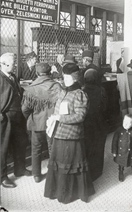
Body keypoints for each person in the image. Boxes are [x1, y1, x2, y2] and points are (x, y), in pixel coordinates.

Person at [44, 63, 95, 204]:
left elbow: (80, 117)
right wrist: (53, 118)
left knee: (68, 164)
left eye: (68, 78)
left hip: (72, 136)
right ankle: (57, 191)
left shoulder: (80, 94)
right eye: (64, 78)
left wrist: (60, 118)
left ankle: (69, 194)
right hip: (59, 134)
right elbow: (57, 109)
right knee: (59, 163)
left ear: (75, 78)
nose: (65, 80)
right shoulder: (63, 91)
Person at [21, 63, 62, 183]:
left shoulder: (30, 88)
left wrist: (30, 118)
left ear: (37, 73)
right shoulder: (57, 86)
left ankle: (37, 175)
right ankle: (53, 173)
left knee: (36, 149)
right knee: (52, 148)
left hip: (36, 124)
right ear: (49, 73)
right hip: (53, 123)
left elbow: (24, 109)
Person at [0, 53, 31, 188]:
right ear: (4, 64)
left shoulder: (12, 76)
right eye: (13, 64)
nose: (15, 66)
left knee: (20, 142)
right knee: (3, 147)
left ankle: (20, 169)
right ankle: (2, 176)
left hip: (17, 116)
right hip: (5, 117)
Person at [83, 68, 108, 181]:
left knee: (87, 145)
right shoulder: (101, 90)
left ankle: (87, 170)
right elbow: (105, 107)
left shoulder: (82, 90)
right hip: (99, 121)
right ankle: (97, 170)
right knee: (98, 144)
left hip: (85, 122)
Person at [111, 114, 132, 184]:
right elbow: (114, 141)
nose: (125, 123)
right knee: (121, 163)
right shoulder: (118, 130)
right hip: (120, 152)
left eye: (128, 122)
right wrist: (114, 151)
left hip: (130, 153)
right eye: (124, 121)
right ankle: (121, 172)